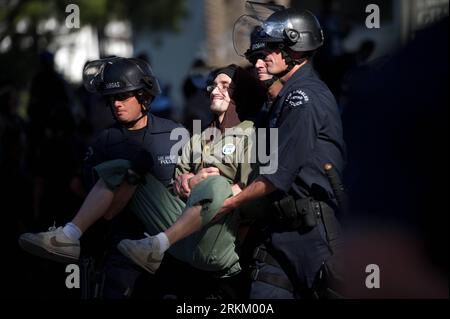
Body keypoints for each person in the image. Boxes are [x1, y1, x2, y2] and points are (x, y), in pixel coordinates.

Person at [19, 65, 266, 279]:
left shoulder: (253, 135)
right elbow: (178, 182)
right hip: (181, 233)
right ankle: (70, 235)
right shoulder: (198, 138)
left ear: (240, 94)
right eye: (213, 85)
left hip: (216, 239)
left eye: (224, 85)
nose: (214, 90)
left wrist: (212, 189)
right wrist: (189, 180)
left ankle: (157, 244)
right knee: (125, 168)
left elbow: (253, 195)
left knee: (217, 186)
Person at [20, 57, 183, 298]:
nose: (116, 104)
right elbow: (105, 210)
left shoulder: (175, 133)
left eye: (123, 96)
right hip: (123, 255)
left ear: (144, 96)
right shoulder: (104, 142)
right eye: (112, 98)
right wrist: (131, 177)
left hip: (172, 251)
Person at [221, 7, 346, 299]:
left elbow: (276, 176)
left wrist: (228, 202)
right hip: (278, 233)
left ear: (296, 50)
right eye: (259, 54)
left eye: (270, 51)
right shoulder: (281, 98)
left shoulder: (304, 98)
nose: (261, 59)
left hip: (314, 234)